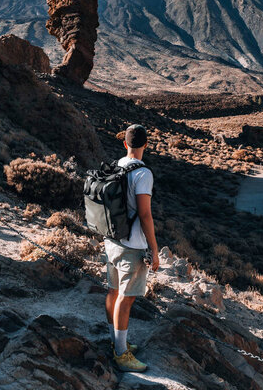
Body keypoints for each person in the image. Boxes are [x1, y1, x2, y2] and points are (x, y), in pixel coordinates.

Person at [104, 123, 159, 372]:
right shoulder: (143, 173)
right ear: (146, 145)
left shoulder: (118, 163)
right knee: (126, 300)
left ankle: (116, 342)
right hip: (132, 245)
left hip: (112, 240)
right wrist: (154, 250)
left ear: (125, 144)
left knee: (113, 292)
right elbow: (145, 215)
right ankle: (121, 354)